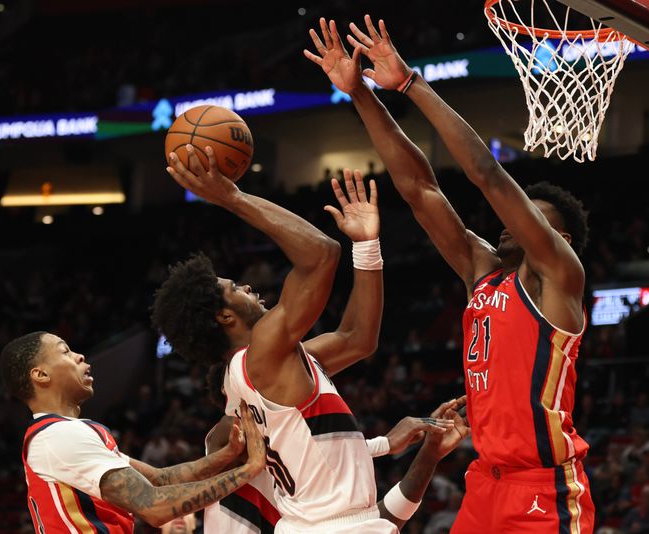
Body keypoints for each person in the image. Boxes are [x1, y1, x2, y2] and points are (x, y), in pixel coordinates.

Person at [305, 15, 593, 532]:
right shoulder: (482, 270)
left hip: (543, 488)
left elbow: (488, 176)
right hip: (484, 481)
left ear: (560, 241)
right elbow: (420, 189)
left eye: (529, 215)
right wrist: (361, 95)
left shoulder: (556, 278)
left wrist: (410, 84)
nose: (510, 221)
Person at [157, 149, 452, 533]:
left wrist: (366, 246)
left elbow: (357, 339)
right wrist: (232, 196)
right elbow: (320, 254)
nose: (247, 287)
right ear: (224, 318)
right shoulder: (261, 356)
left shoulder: (245, 379)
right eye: (235, 288)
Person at [0, 331, 266, 531]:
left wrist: (229, 454)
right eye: (65, 351)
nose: (80, 356)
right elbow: (154, 506)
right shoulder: (58, 436)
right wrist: (248, 469)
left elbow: (162, 479)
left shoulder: (67, 433)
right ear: (40, 375)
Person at [201, 364, 470, 533]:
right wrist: (382, 445)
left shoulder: (298, 487)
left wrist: (428, 454)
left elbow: (375, 522)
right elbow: (355, 339)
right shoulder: (229, 442)